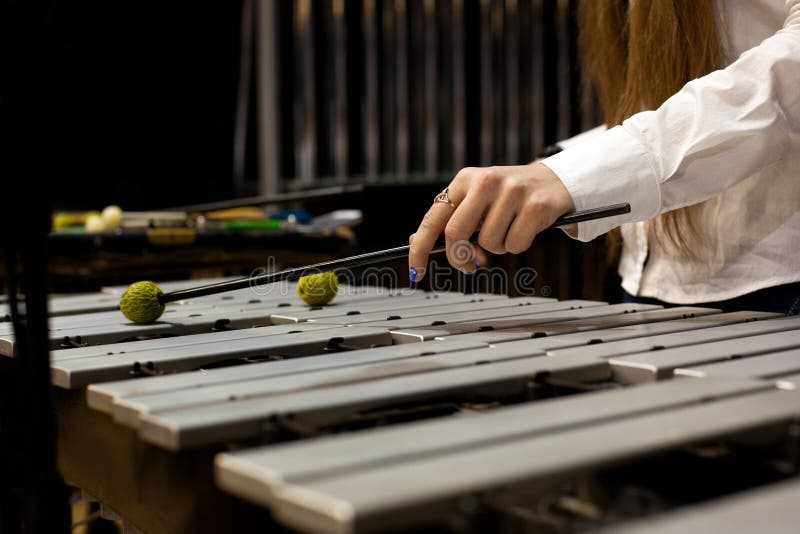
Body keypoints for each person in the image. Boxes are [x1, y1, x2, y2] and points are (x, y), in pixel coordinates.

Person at [408, 0, 800, 315]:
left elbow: (788, 77)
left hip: (779, 286)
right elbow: (662, 107)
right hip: (648, 283)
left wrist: (575, 177)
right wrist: (554, 167)